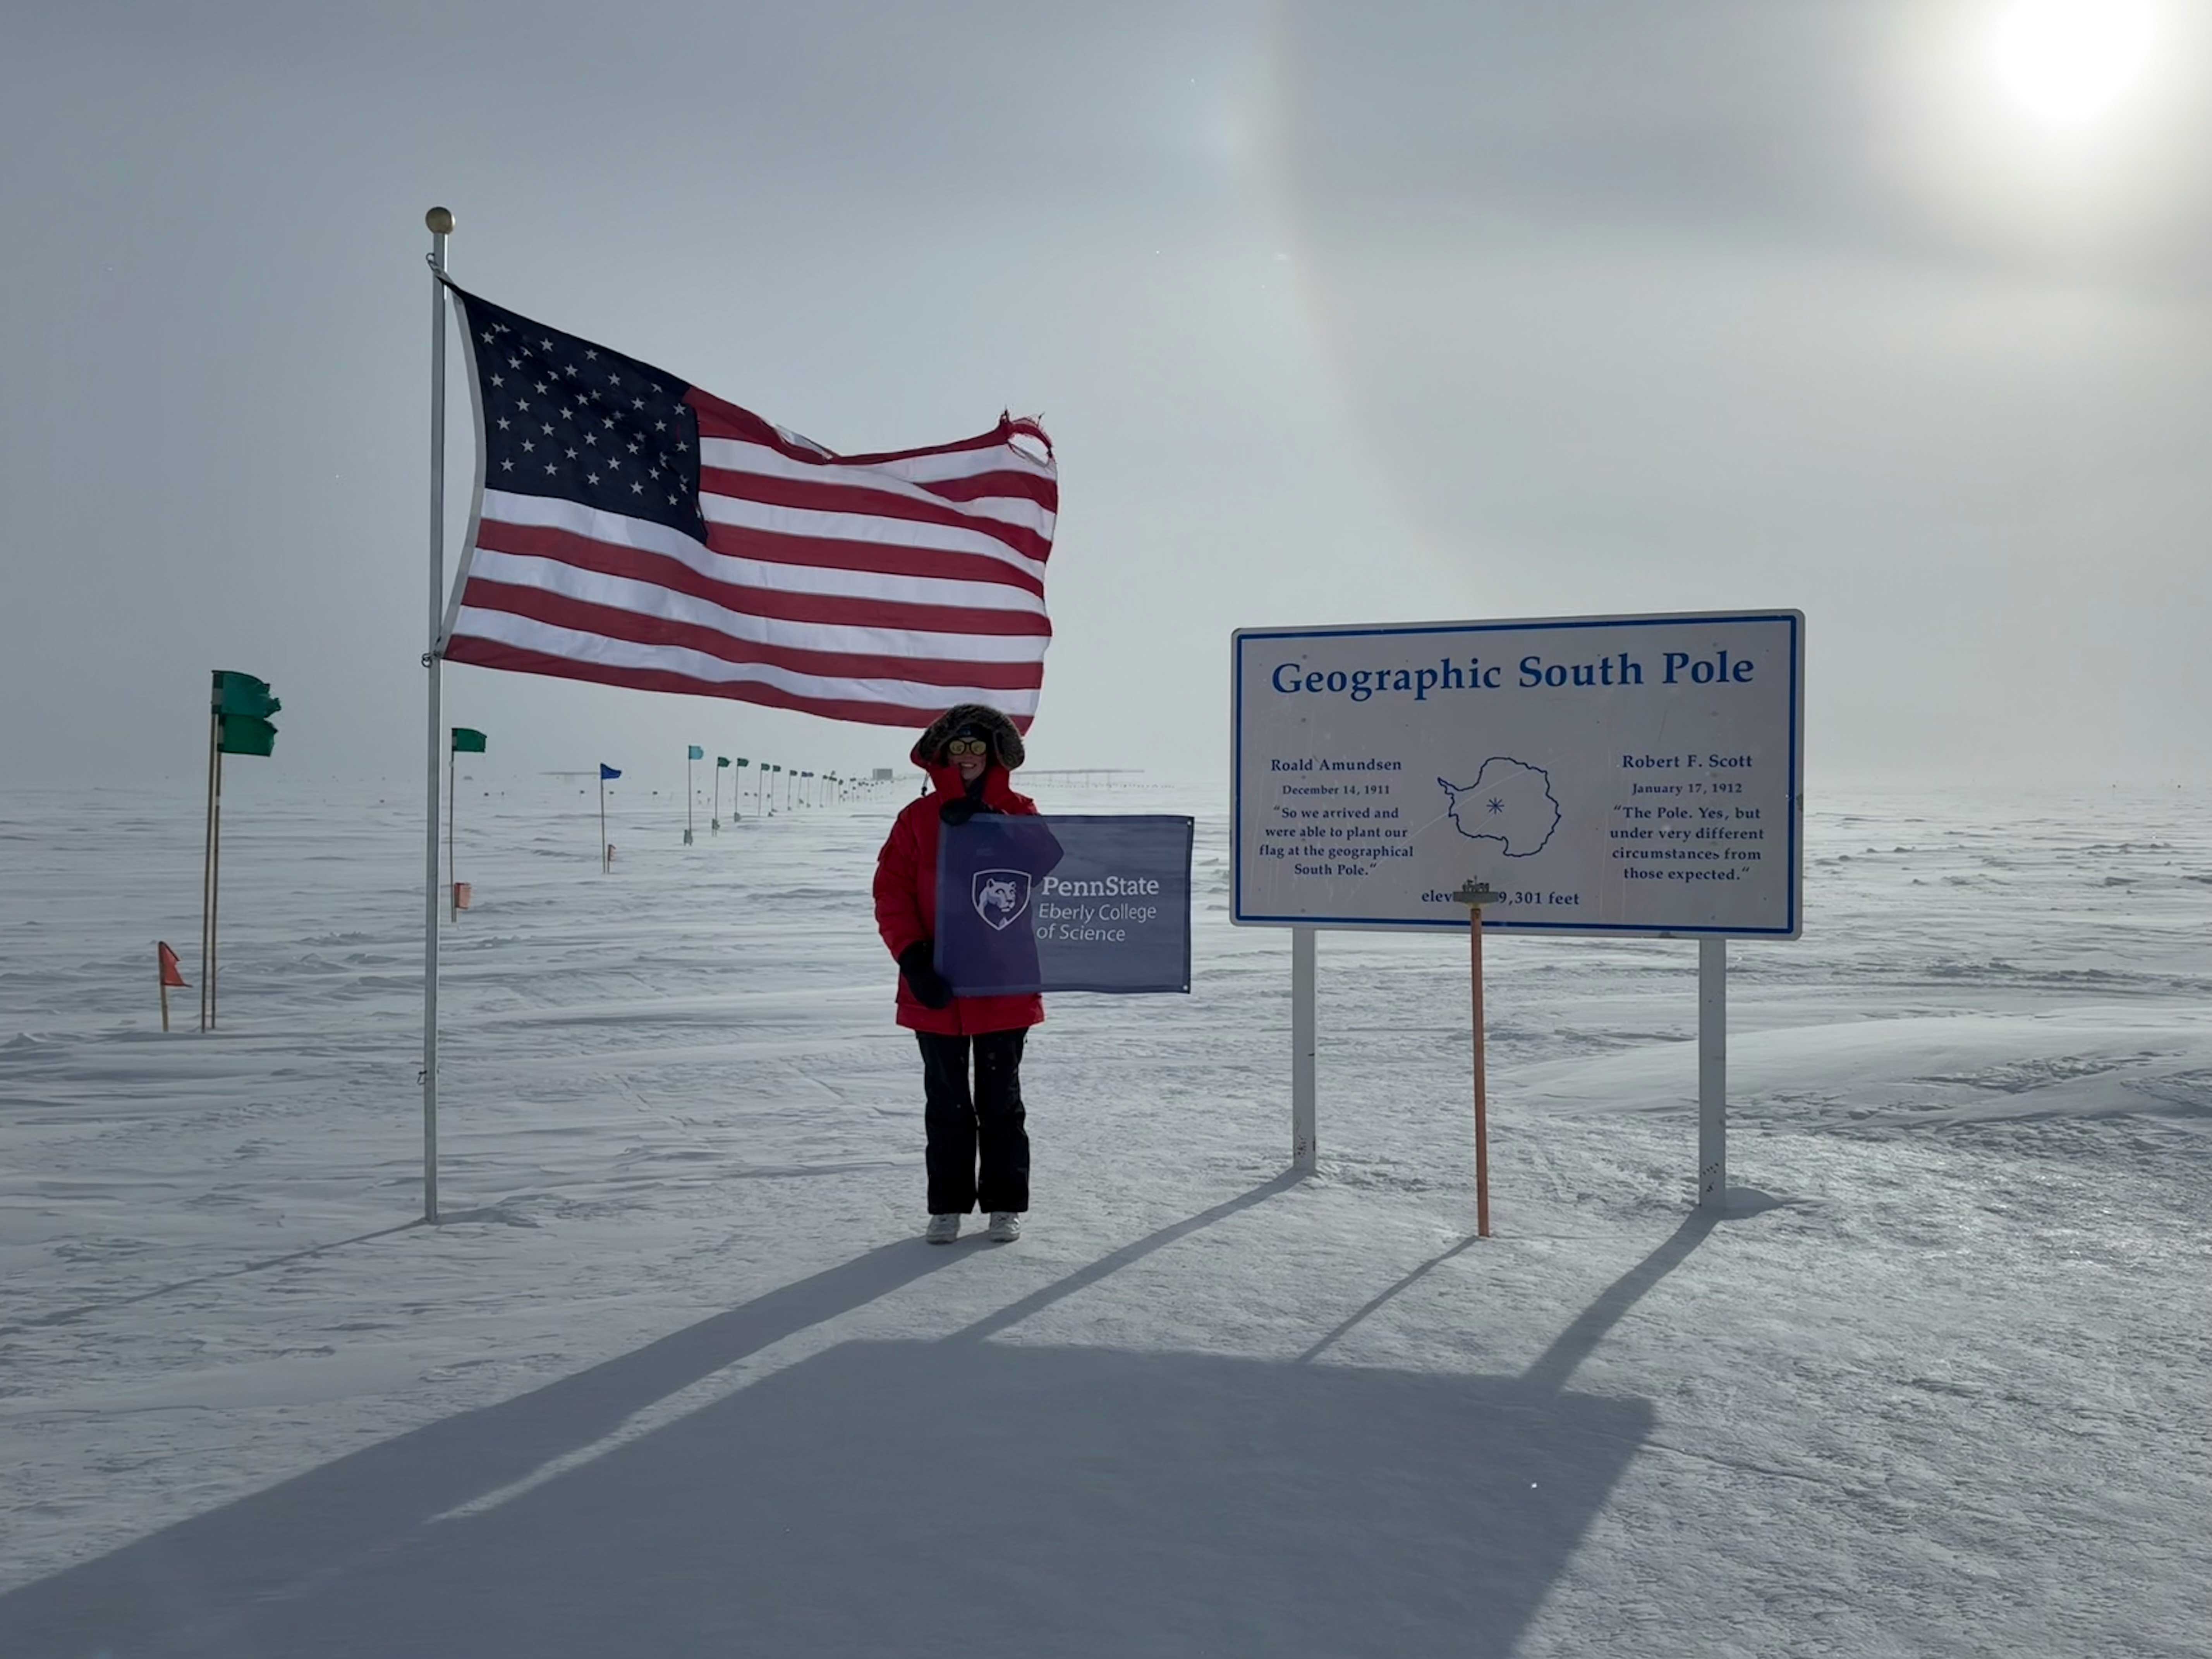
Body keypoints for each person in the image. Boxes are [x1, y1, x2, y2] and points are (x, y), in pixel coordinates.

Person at [872, 704, 1042, 1244]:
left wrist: (996, 821)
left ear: (993, 756)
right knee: (946, 1103)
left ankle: (1004, 1204)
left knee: (1001, 1102)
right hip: (936, 986)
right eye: (958, 749)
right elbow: (891, 893)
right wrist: (913, 957)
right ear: (942, 756)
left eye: (977, 749)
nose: (967, 758)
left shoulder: (1019, 811)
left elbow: (1050, 866)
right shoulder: (915, 821)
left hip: (1003, 984)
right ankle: (946, 1205)